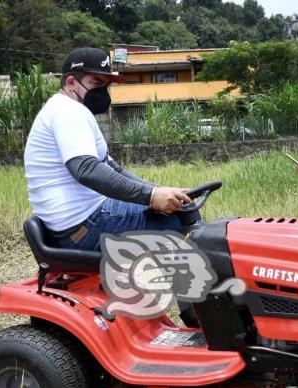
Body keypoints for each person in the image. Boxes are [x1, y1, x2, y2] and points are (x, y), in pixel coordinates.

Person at [24, 47, 192, 250]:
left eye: (106, 85)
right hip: (82, 227)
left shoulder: (67, 110)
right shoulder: (68, 111)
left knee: (179, 209)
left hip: (80, 222)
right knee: (181, 219)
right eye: (96, 83)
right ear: (70, 83)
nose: (102, 92)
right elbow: (86, 170)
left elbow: (115, 170)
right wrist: (151, 196)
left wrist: (160, 191)